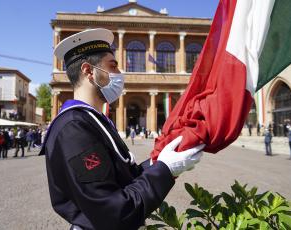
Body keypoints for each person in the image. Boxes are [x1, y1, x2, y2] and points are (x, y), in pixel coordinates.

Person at [41, 28, 204, 230]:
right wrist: (165, 170)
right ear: (88, 70)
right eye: (113, 66)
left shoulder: (91, 120)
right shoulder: (74, 127)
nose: (121, 74)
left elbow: (123, 178)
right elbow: (114, 212)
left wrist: (156, 162)